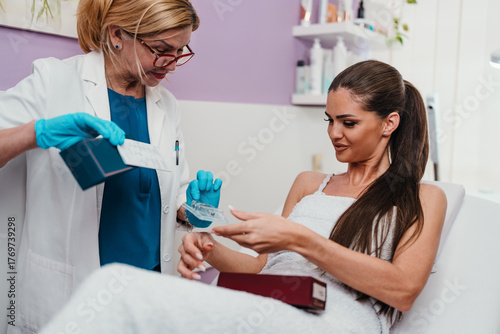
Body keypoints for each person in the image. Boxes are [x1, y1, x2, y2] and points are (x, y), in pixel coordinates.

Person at [38, 60, 447, 334]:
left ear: (389, 123)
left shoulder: (423, 198)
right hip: (270, 303)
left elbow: (402, 290)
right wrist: (209, 247)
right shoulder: (310, 183)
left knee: (121, 289)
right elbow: (261, 268)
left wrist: (299, 239)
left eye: (349, 122)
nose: (333, 133)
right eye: (330, 120)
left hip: (331, 320)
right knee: (118, 290)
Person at [0, 1, 222, 333]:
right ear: (117, 35)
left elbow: (169, 193)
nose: (172, 64)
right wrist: (38, 133)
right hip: (72, 289)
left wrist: (193, 210)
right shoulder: (53, 80)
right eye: (162, 50)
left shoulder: (166, 105)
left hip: (145, 288)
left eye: (180, 50)